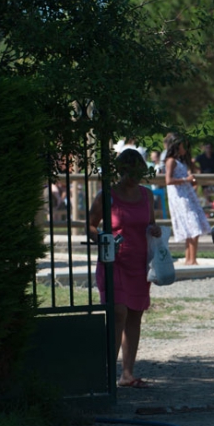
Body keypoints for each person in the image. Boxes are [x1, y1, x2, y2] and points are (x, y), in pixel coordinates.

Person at [88, 149, 161, 389]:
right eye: (130, 173)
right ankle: (107, 373)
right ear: (120, 171)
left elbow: (150, 223)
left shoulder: (146, 195)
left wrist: (155, 230)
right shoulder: (106, 196)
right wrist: (101, 239)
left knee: (135, 316)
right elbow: (90, 225)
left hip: (140, 263)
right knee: (118, 312)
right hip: (114, 262)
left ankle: (127, 373)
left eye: (139, 173)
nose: (134, 177)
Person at [164, 133, 211, 266]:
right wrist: (186, 180)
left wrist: (191, 180)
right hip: (180, 198)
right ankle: (191, 259)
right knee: (193, 225)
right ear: (177, 146)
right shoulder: (171, 161)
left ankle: (190, 259)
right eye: (182, 145)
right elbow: (168, 180)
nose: (185, 147)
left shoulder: (180, 161)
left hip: (187, 195)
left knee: (192, 227)